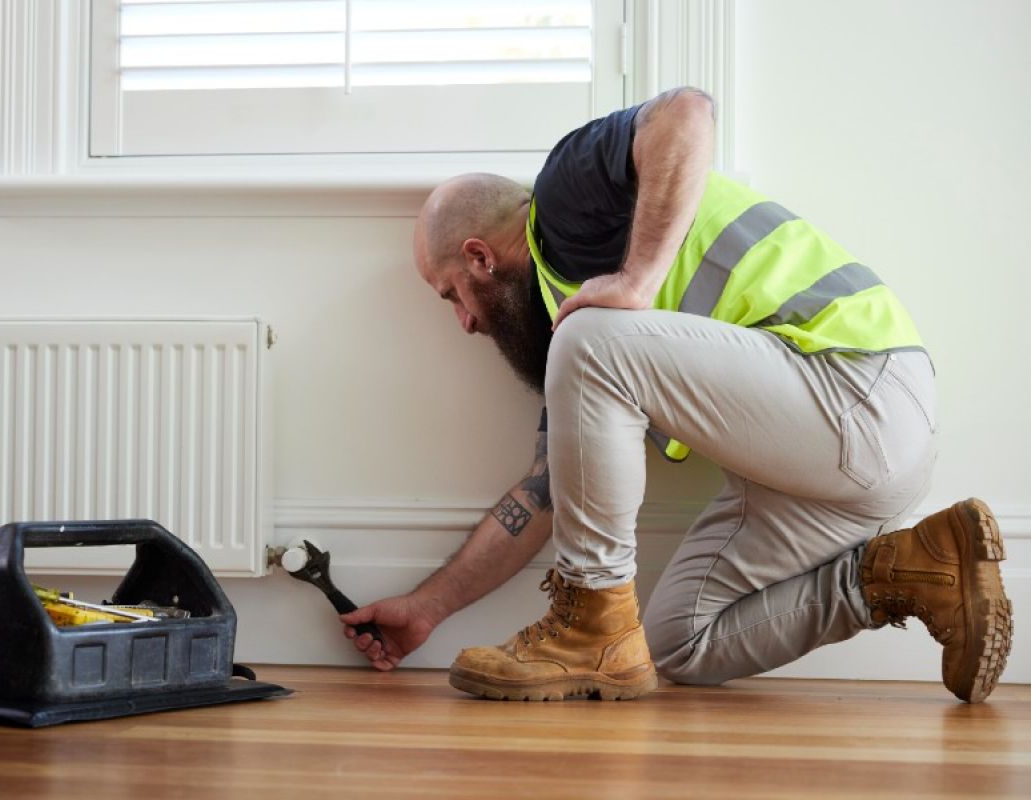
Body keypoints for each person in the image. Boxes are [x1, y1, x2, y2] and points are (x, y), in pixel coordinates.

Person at [339, 87, 1013, 703]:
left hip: (856, 387)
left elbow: (685, 110)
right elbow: (549, 492)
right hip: (822, 469)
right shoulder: (577, 336)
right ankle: (915, 568)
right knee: (677, 642)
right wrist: (426, 607)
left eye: (451, 293)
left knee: (592, 339)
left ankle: (588, 624)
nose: (462, 322)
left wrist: (637, 280)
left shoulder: (566, 205)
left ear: (481, 256)